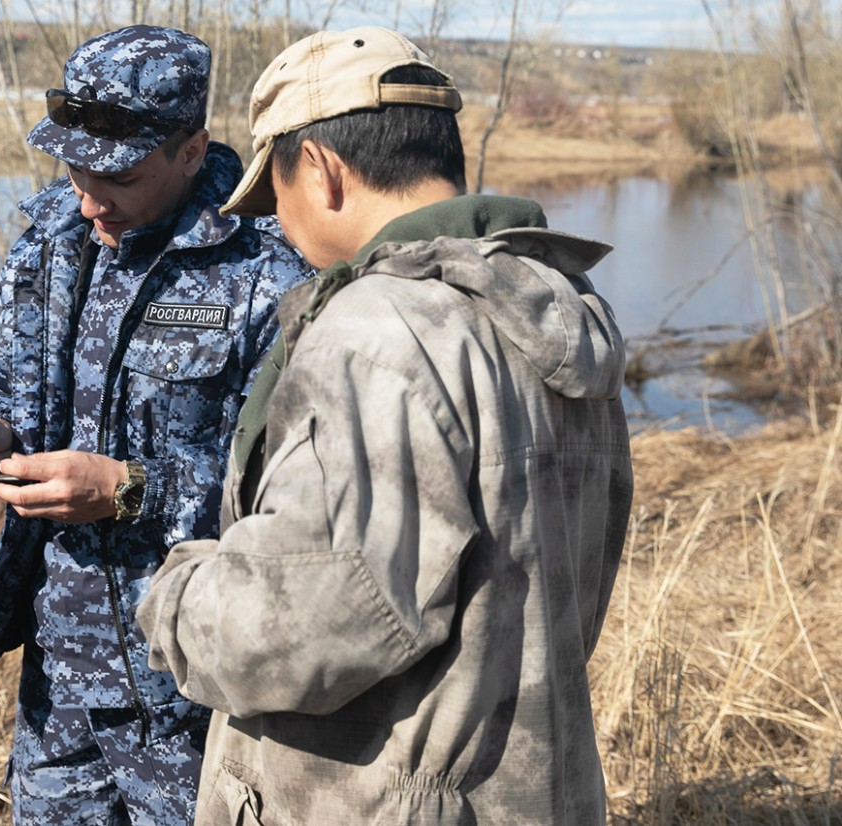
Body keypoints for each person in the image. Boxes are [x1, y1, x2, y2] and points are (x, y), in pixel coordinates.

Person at [137, 26, 634, 825]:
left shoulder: (380, 331)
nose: (283, 230)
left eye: (278, 198)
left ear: (324, 171)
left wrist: (176, 593)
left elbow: (325, 616)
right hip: (529, 792)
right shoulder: (547, 308)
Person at [0, 25, 313, 826]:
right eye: (75, 170)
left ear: (193, 151)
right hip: (59, 674)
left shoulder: (269, 264)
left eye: (123, 177)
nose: (92, 199)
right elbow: (6, 387)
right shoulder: (51, 240)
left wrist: (131, 491)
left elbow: (294, 498)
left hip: (194, 681)